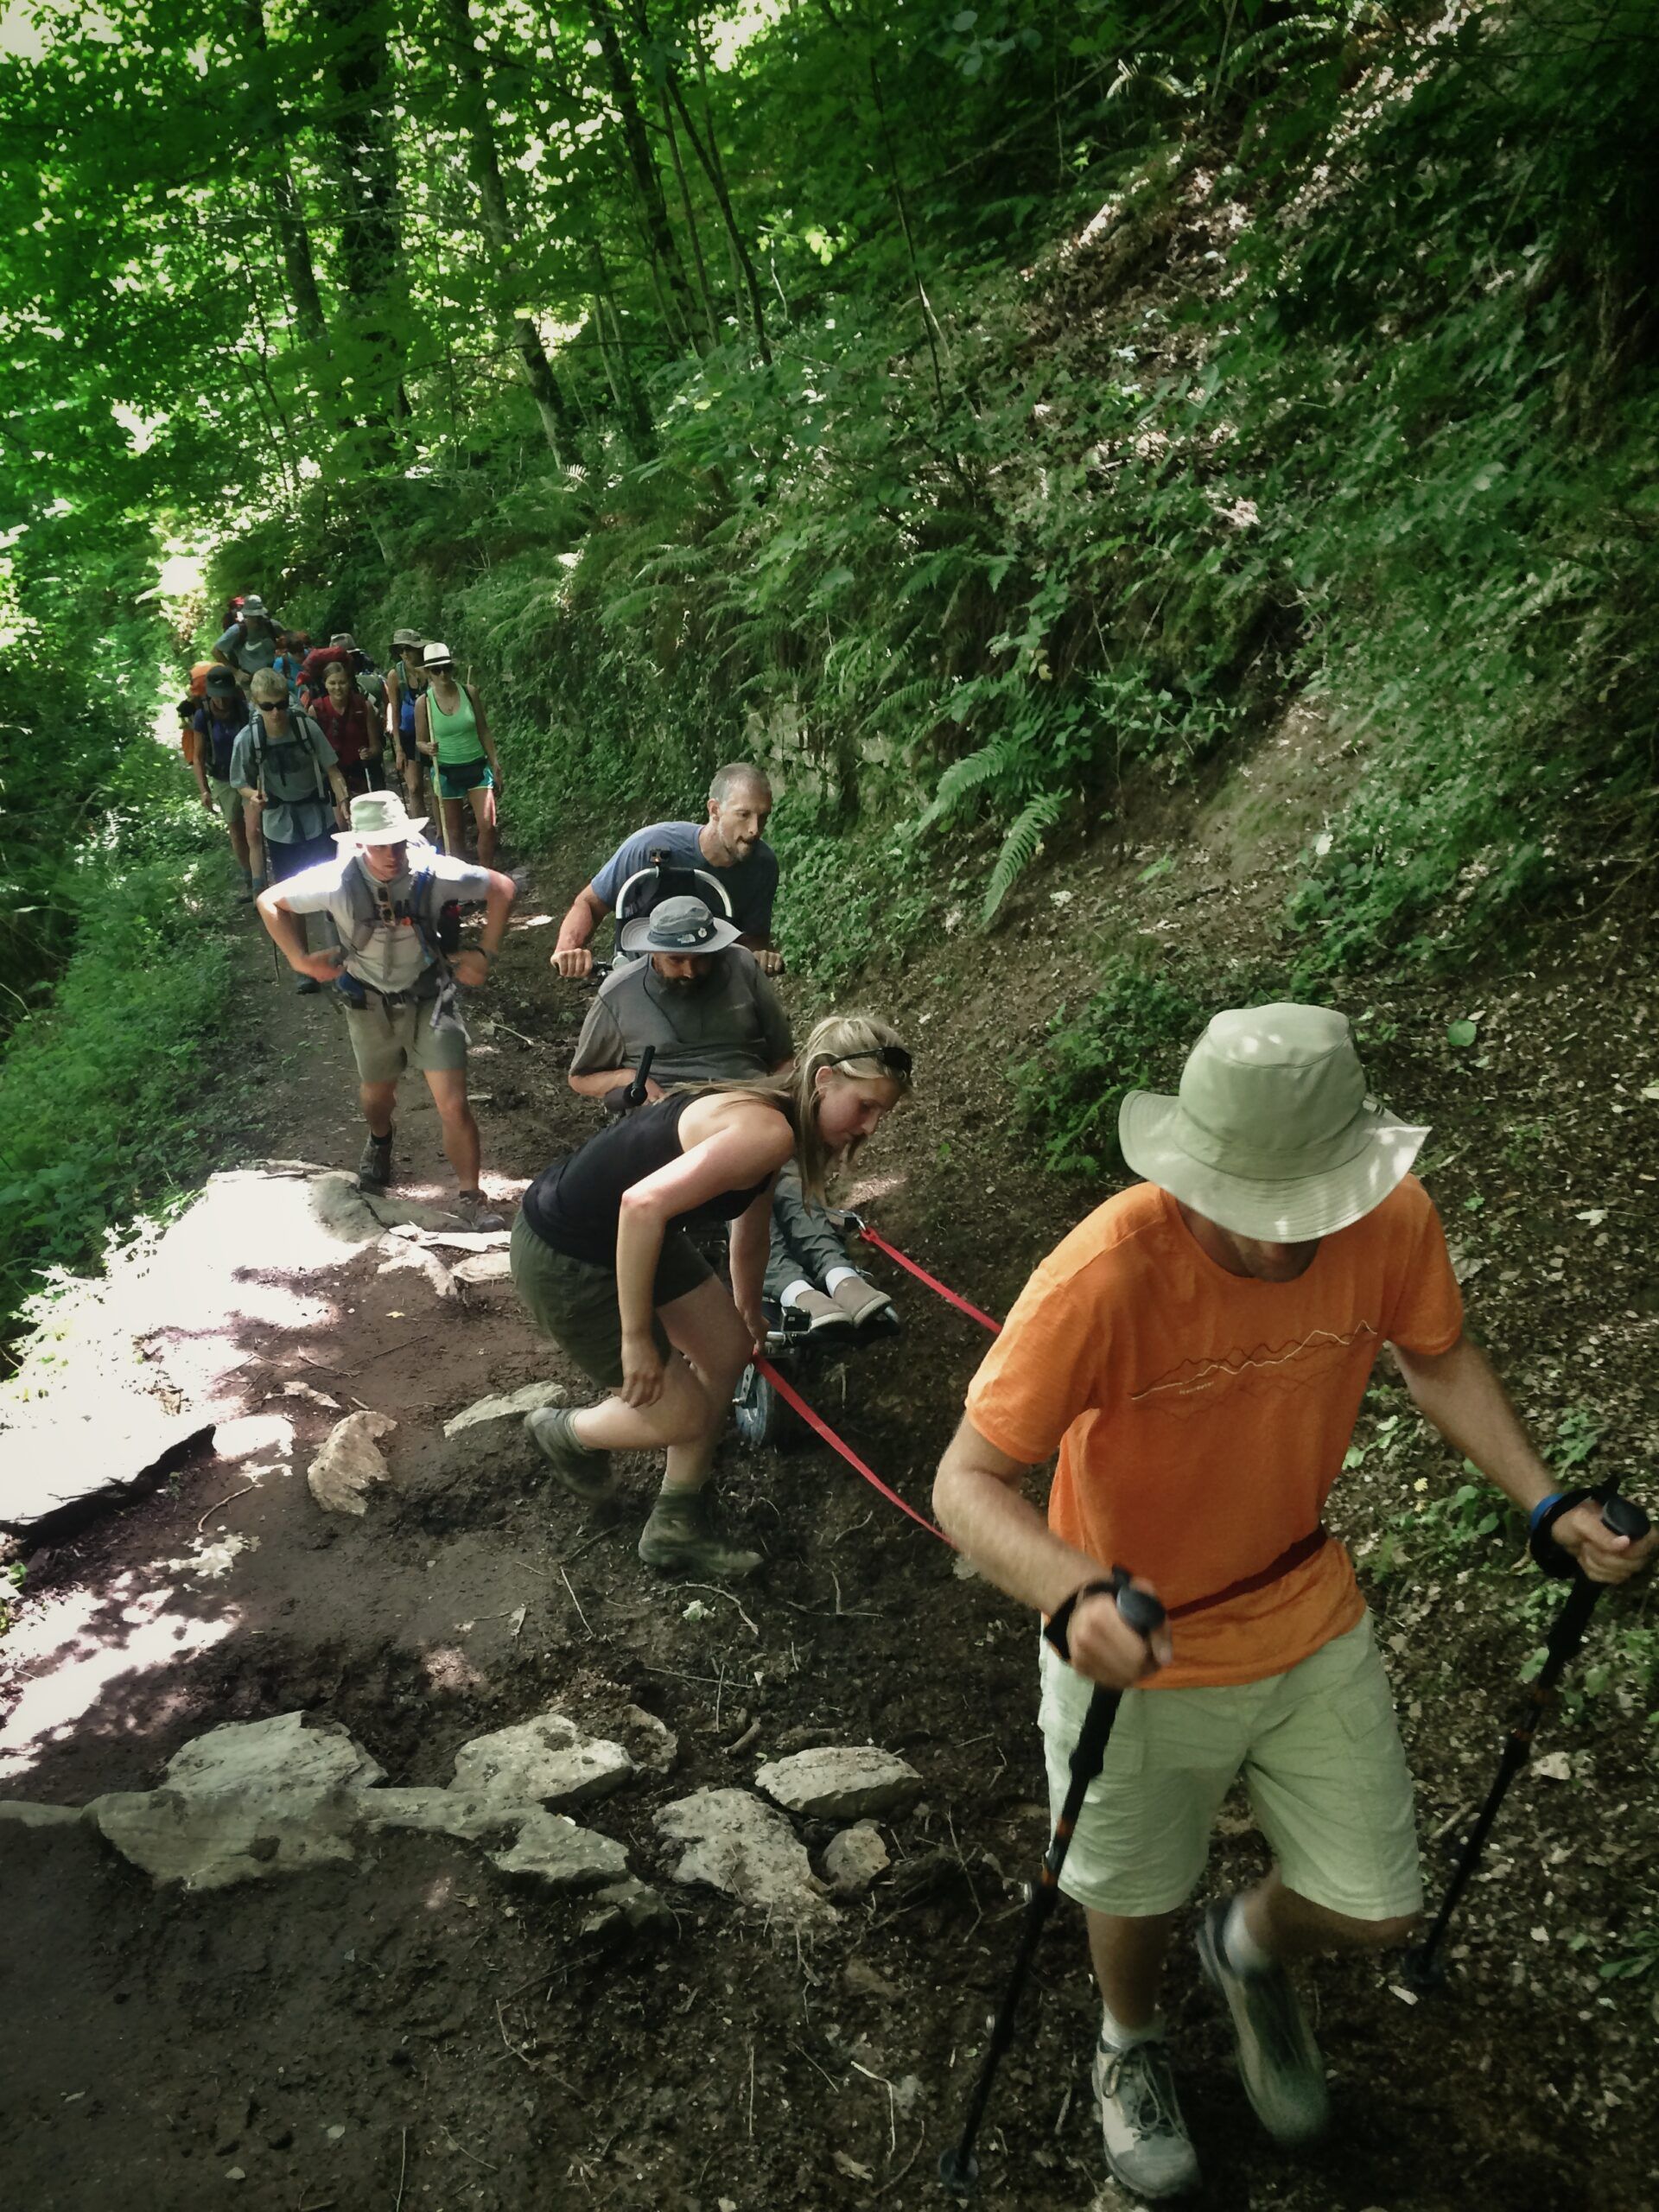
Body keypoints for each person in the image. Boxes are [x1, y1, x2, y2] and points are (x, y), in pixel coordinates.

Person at [932, 1003, 1656, 2201]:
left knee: (1376, 1910)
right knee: (1130, 1890)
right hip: (1138, 1642)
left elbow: (1436, 1356)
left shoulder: (1392, 1219)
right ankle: (1131, 2041)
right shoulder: (1106, 1272)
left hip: (1303, 1600)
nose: (1285, 1244)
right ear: (1190, 1169)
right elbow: (965, 1480)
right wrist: (1071, 1595)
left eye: (1308, 1210)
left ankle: (1250, 1951)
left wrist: (1546, 1503)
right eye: (1256, 1211)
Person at [512, 1014, 912, 1578]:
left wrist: (747, 1313)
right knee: (683, 1417)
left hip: (626, 1235)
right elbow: (641, 1207)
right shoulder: (766, 1131)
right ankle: (565, 1432)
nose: (870, 1126)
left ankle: (675, 1524)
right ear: (823, 1080)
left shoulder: (778, 1124)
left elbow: (748, 1228)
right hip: (567, 1252)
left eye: (882, 1115)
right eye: (865, 1107)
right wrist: (636, 1340)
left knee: (727, 1351)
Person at [569, 894, 894, 1331]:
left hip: (754, 1102)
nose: (690, 971)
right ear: (651, 951)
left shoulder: (741, 968)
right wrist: (628, 1077)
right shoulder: (620, 994)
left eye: (701, 959)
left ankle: (840, 1276)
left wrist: (795, 1113)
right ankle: (796, 1291)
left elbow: (783, 1057)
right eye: (675, 960)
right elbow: (581, 1076)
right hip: (682, 1118)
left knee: (787, 1180)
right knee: (746, 1194)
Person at [255, 790, 515, 1231]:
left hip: (431, 998)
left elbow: (502, 887)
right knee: (377, 1098)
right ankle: (380, 1138)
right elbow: (270, 901)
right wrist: (300, 959)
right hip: (367, 1003)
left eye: (398, 843)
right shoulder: (334, 882)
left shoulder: (435, 874)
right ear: (360, 844)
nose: (392, 854)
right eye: (380, 845)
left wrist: (485, 954)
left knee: (453, 1105)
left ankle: (471, 1196)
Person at [552, 764, 783, 980]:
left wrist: (763, 956)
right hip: (639, 983)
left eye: (763, 817)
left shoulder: (762, 865)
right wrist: (568, 950)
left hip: (712, 986)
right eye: (744, 815)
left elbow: (753, 938)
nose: (755, 829)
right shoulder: (649, 846)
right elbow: (590, 904)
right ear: (714, 810)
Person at [232, 668, 351, 993]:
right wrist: (252, 796)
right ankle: (304, 966)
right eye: (268, 706)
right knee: (291, 894)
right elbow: (239, 781)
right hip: (279, 823)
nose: (277, 712)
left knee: (334, 889)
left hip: (316, 816)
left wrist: (343, 799)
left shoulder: (305, 727)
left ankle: (344, 959)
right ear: (256, 705)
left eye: (282, 704)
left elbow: (332, 769)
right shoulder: (249, 739)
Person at [413, 642, 502, 868]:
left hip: (476, 766)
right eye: (436, 670)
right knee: (454, 833)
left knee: (488, 825)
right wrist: (426, 747)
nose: (443, 674)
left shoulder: (469, 692)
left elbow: (483, 729)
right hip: (445, 770)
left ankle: (486, 877)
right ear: (427, 673)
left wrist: (495, 763)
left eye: (447, 668)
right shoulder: (423, 703)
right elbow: (419, 741)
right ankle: (463, 885)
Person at [189, 665, 257, 898]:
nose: (222, 699)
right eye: (217, 694)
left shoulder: (243, 710)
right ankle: (249, 878)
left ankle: (260, 878)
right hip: (223, 779)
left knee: (253, 830)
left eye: (225, 694)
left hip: (248, 776)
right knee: (236, 831)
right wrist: (203, 790)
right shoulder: (203, 716)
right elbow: (197, 756)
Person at [313, 658, 384, 798]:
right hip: (332, 775)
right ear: (324, 684)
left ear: (350, 683)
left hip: (361, 772)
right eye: (332, 683)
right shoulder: (316, 710)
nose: (337, 688)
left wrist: (368, 753)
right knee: (342, 819)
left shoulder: (363, 706)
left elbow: (376, 747)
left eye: (342, 682)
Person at [385, 629, 429, 811]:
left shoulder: (431, 669)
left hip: (430, 731)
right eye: (401, 650)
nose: (405, 654)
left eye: (408, 649)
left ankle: (442, 834)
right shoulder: (395, 675)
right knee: (414, 787)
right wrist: (399, 748)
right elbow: (395, 711)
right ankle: (419, 835)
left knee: (436, 787)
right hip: (408, 733)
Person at [213, 593, 282, 694]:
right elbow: (216, 651)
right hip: (251, 684)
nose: (257, 620)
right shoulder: (237, 631)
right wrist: (236, 673)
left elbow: (288, 639)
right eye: (253, 617)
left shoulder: (272, 626)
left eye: (259, 616)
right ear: (246, 616)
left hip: (276, 677)